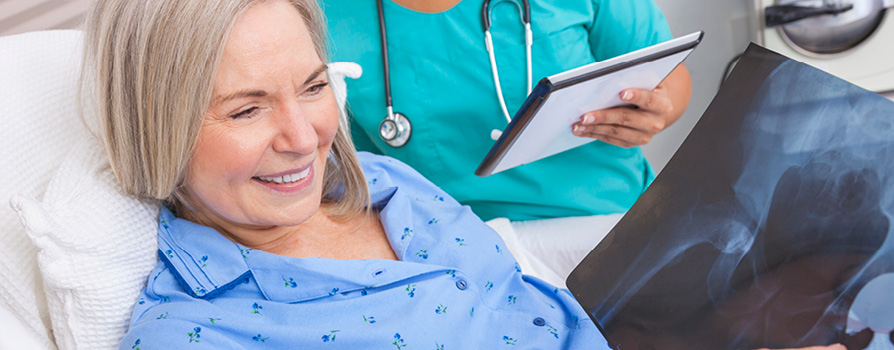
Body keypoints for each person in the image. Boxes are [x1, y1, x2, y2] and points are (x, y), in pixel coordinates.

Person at [83, 0, 608, 348]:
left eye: (313, 88)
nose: (305, 138)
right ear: (153, 127)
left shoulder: (387, 181)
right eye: (247, 110)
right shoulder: (195, 332)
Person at [321, 0, 693, 286]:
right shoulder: (319, 15)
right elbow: (335, 167)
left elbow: (670, 74)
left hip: (610, 224)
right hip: (456, 253)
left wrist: (657, 110)